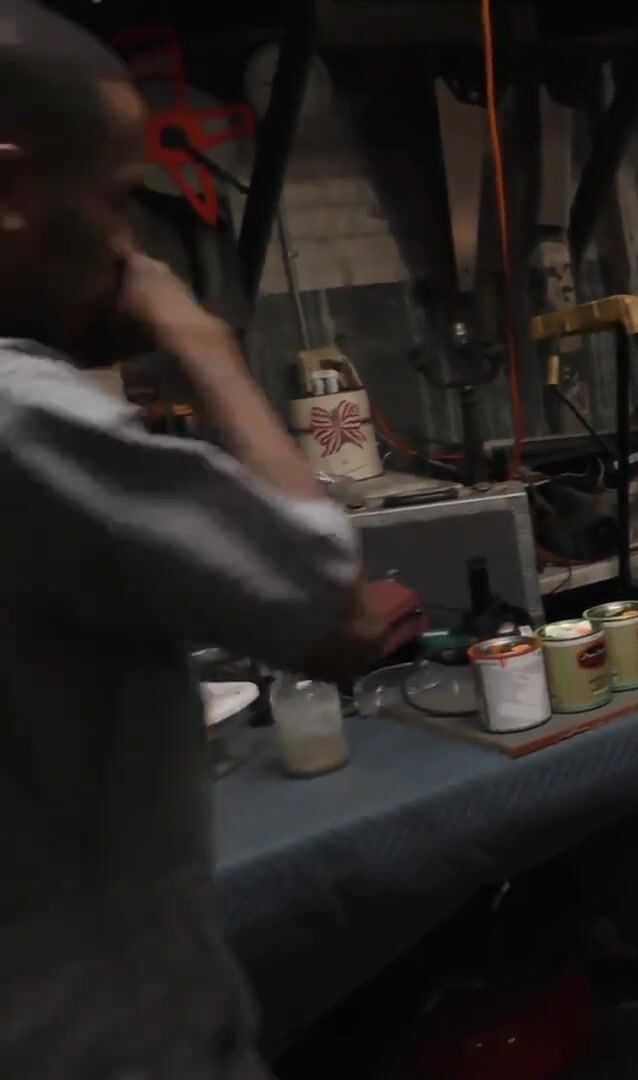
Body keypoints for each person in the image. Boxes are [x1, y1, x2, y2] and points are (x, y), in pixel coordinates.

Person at [0, 3, 387, 1075]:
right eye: (114, 199)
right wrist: (201, 341)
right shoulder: (22, 418)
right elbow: (338, 616)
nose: (129, 247)